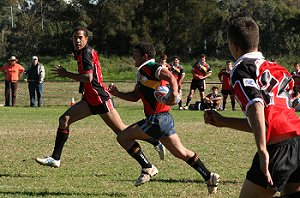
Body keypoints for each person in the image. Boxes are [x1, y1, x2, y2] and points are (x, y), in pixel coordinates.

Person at [35, 26, 165, 168]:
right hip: (90, 99)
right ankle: (56, 158)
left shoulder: (86, 53)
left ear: (86, 39)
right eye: (74, 37)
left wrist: (66, 74)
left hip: (100, 98)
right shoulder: (79, 52)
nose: (77, 40)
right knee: (64, 120)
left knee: (123, 132)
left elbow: (88, 77)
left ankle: (151, 151)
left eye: (80, 38)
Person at [204, 17, 300, 198]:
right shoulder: (277, 68)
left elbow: (256, 106)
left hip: (276, 149)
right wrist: (224, 121)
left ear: (233, 45)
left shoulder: (242, 68)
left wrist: (263, 151)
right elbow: (264, 121)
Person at [108, 42, 219, 194]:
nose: (133, 56)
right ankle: (209, 176)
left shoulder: (150, 67)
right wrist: (117, 93)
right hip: (165, 118)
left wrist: (174, 93)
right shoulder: (143, 73)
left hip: (156, 119)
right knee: (181, 152)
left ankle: (147, 166)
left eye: (135, 53)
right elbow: (135, 97)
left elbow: (169, 75)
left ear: (145, 56)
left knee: (123, 137)